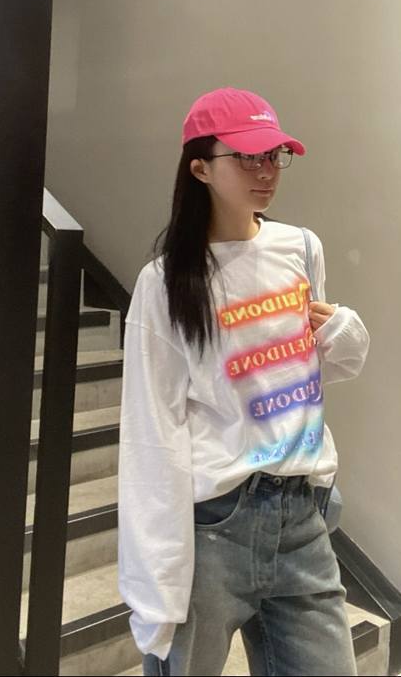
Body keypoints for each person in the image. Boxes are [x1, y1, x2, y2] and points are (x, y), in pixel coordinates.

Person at [117, 87, 371, 676]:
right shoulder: (165, 283)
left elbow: (303, 369)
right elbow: (153, 429)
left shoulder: (301, 248)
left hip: (301, 516)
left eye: (274, 155)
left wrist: (345, 333)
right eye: (248, 157)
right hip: (215, 525)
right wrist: (156, 575)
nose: (266, 171)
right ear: (200, 168)